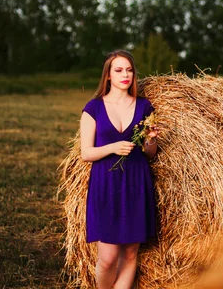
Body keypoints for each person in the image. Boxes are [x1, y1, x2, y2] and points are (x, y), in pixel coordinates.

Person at [80, 50, 158, 289]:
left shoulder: (145, 107)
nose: (125, 75)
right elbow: (86, 153)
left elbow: (150, 153)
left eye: (129, 70)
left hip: (136, 182)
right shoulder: (93, 108)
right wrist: (113, 147)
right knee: (107, 258)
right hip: (106, 185)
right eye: (119, 70)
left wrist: (151, 140)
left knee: (131, 254)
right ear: (108, 76)